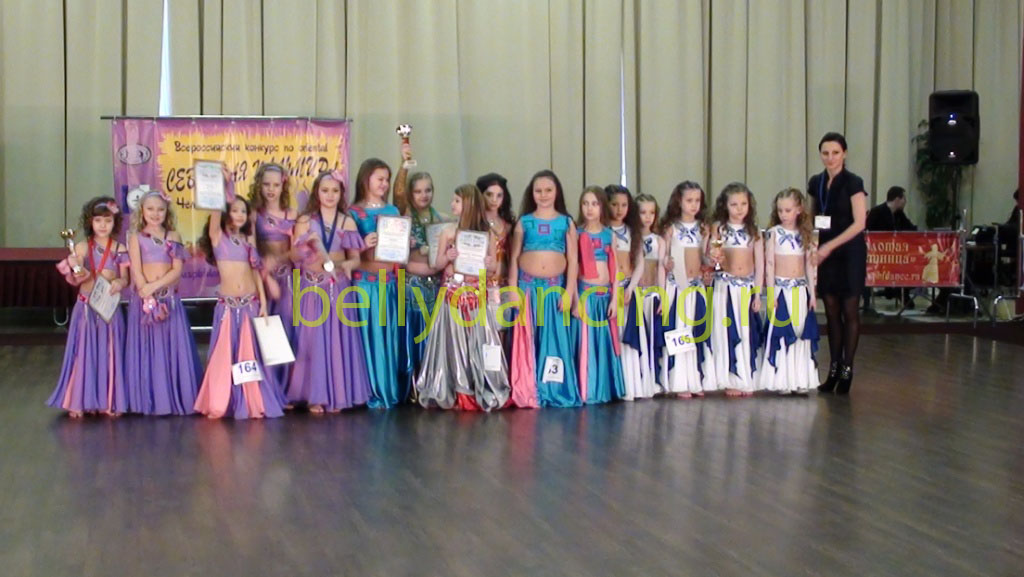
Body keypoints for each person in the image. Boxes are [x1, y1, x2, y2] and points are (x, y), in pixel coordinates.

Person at [194, 174, 286, 419]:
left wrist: (263, 302)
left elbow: (256, 271)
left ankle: (251, 399)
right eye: (234, 210)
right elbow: (216, 212)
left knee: (249, 354)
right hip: (227, 305)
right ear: (226, 213)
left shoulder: (248, 240)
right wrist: (224, 185)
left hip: (250, 303)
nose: (240, 214)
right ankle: (222, 400)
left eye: (243, 211)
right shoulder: (218, 238)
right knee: (225, 353)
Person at [415, 184, 509, 411]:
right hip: (452, 293)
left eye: (457, 201)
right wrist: (447, 256)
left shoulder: (486, 235)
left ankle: (478, 386)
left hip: (476, 295)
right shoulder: (448, 232)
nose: (452, 205)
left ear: (468, 204)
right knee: (452, 343)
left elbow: (493, 269)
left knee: (478, 342)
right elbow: (437, 264)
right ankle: (456, 389)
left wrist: (489, 263)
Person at [287, 170, 372, 413]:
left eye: (335, 191)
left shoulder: (347, 222)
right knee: (312, 340)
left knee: (336, 340)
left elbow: (355, 258)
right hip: (311, 286)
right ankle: (313, 395)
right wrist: (306, 245)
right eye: (325, 190)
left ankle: (337, 393)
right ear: (317, 192)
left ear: (341, 194)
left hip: (338, 286)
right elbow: (293, 256)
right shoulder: (305, 221)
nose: (330, 195)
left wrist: (348, 265)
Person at [48, 197, 130, 418]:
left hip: (109, 308)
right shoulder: (82, 247)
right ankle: (80, 400)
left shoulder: (120, 248)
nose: (103, 225)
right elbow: (77, 279)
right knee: (84, 352)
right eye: (98, 220)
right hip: (86, 308)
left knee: (110, 352)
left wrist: (119, 282)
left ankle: (110, 400)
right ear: (90, 222)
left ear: (115, 223)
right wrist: (78, 270)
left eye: (108, 221)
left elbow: (126, 279)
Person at [508, 170, 581, 408]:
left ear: (557, 191)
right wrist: (512, 288)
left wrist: (569, 292)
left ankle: (553, 388)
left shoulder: (566, 222)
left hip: (554, 291)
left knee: (554, 341)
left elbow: (573, 260)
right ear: (531, 193)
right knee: (528, 340)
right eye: (538, 191)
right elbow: (514, 257)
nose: (543, 195)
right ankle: (527, 389)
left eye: (548, 190)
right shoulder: (524, 221)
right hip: (527, 289)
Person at [125, 190, 201, 415]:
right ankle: (147, 398)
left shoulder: (173, 236)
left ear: (167, 211)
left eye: (160, 209)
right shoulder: (135, 237)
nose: (155, 213)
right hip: (144, 301)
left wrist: (155, 287)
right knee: (147, 349)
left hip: (168, 299)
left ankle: (173, 395)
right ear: (142, 211)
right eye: (150, 209)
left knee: (170, 348)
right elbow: (136, 270)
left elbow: (176, 270)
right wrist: (146, 293)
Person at [810, 132, 868, 395]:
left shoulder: (854, 182)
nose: (830, 158)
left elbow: (860, 223)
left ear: (844, 153)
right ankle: (833, 368)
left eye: (835, 153)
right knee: (831, 311)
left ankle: (847, 369)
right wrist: (813, 247)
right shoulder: (817, 182)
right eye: (825, 153)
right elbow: (812, 218)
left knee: (849, 310)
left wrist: (829, 247)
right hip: (826, 253)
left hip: (849, 252)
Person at [348, 158, 406, 409]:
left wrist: (405, 245)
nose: (384, 184)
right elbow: (347, 252)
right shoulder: (353, 212)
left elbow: (399, 254)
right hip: (364, 285)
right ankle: (367, 390)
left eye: (387, 180)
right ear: (366, 179)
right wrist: (362, 245)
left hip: (388, 284)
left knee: (386, 338)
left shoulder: (392, 211)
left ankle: (386, 388)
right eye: (380, 179)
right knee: (367, 339)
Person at [758, 188, 820, 395]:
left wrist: (812, 293)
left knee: (800, 332)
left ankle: (799, 379)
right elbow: (770, 264)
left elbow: (810, 266)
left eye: (787, 210)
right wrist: (771, 293)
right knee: (783, 331)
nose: (783, 214)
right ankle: (782, 380)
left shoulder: (806, 234)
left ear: (799, 210)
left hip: (800, 290)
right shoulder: (774, 233)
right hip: (781, 290)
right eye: (780, 211)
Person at [660, 181, 717, 397]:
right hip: (677, 286)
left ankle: (694, 378)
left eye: (697, 201)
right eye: (689, 200)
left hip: (696, 285)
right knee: (679, 331)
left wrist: (712, 261)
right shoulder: (671, 228)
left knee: (694, 331)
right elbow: (664, 256)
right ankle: (679, 380)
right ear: (679, 201)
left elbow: (704, 256)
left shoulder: (703, 228)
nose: (694, 205)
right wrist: (666, 262)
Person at [708, 183, 764, 397]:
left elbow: (759, 265)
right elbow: (712, 256)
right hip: (725, 287)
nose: (739, 209)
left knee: (746, 331)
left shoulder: (754, 232)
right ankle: (729, 377)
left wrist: (757, 293)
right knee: (725, 331)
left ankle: (746, 376)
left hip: (746, 287)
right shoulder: (719, 228)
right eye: (734, 204)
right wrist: (714, 257)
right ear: (725, 205)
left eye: (743, 204)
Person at [575, 186, 626, 404]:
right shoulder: (576, 233)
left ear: (602, 206)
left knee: (604, 343)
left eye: (594, 204)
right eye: (585, 203)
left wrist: (615, 298)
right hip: (585, 295)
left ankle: (605, 388)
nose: (590, 208)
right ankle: (587, 389)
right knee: (586, 343)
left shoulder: (608, 235)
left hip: (605, 297)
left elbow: (614, 269)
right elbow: (572, 268)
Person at [865, 186, 917, 310]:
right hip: (878, 255)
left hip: (896, 254)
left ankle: (900, 291)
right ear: (897, 199)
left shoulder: (899, 214)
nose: (905, 202)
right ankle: (893, 291)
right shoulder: (877, 212)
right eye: (904, 199)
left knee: (912, 263)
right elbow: (867, 232)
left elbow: (910, 228)